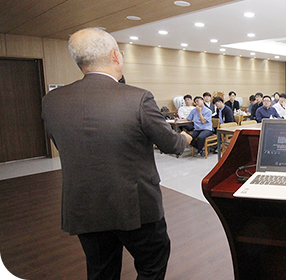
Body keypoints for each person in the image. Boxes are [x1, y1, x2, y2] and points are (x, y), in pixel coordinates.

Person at [42, 28, 192, 280]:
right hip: (136, 208)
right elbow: (171, 144)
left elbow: (61, 143)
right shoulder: (138, 98)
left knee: (101, 271)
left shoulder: (52, 100)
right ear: (116, 56)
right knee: (152, 265)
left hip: (84, 206)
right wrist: (185, 137)